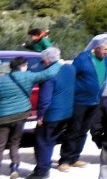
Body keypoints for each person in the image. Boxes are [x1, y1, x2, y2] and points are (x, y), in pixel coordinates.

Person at [0, 54, 63, 179]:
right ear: (22, 66)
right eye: (26, 65)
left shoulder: (1, 80)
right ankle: (14, 168)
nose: (27, 67)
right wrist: (58, 64)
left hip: (3, 117)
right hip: (21, 115)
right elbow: (47, 74)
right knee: (15, 142)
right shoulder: (28, 76)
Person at [59, 36, 107, 171]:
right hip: (79, 101)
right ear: (97, 48)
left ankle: (75, 157)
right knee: (73, 130)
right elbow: (70, 75)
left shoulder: (105, 60)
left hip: (94, 101)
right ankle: (65, 159)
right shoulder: (83, 58)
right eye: (105, 49)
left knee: (83, 131)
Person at [32, 47, 74, 179]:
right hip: (67, 113)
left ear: (46, 61)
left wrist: (40, 115)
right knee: (51, 140)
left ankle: (42, 171)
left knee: (42, 142)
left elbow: (45, 98)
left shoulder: (49, 75)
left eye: (43, 61)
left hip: (52, 114)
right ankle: (43, 165)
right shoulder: (70, 69)